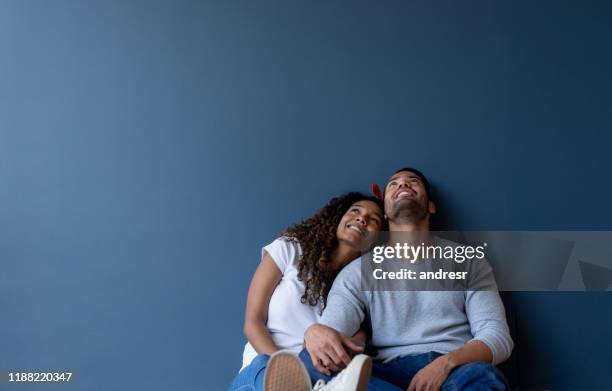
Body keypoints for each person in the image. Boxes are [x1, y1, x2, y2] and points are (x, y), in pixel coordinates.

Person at [302, 168, 514, 391]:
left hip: (456, 369)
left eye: (412, 181)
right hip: (385, 373)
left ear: (431, 206)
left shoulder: (469, 262)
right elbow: (332, 334)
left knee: (483, 377)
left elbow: (497, 337)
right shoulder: (357, 273)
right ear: (384, 212)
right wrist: (314, 333)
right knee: (311, 360)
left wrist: (445, 364)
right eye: (394, 184)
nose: (403, 184)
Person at [229, 192, 386, 391]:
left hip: (319, 377)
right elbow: (252, 323)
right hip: (262, 370)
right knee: (269, 372)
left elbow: (354, 346)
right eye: (355, 211)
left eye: (373, 220)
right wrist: (286, 370)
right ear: (338, 218)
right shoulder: (290, 249)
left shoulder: (356, 291)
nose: (362, 219)